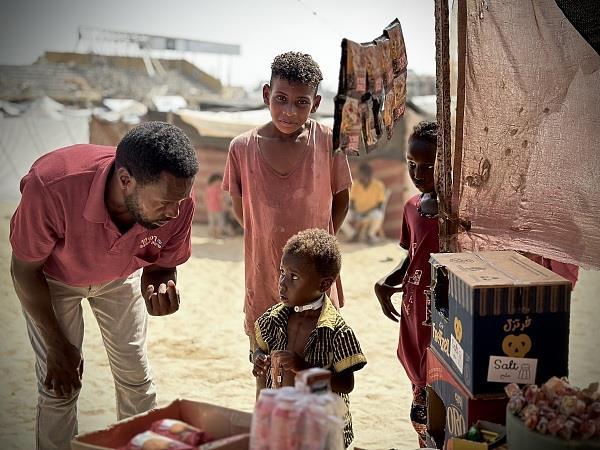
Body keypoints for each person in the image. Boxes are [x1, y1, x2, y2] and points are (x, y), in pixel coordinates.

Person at [9, 121, 199, 450]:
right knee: (60, 384)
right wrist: (57, 346)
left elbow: (162, 265)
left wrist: (161, 284)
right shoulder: (53, 186)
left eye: (180, 201)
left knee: (136, 379)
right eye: (165, 204)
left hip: (119, 278)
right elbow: (24, 270)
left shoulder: (177, 201)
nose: (175, 212)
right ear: (126, 180)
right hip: (53, 280)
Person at [222, 51, 352, 388]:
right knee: (269, 382)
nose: (289, 111)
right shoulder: (242, 148)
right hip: (265, 278)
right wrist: (269, 241)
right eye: (280, 99)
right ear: (267, 94)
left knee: (318, 382)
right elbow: (242, 212)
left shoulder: (328, 142)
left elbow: (341, 199)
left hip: (316, 285)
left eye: (301, 102)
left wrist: (318, 249)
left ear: (316, 102)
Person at [253, 229, 366, 448]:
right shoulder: (273, 319)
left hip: (320, 427)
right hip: (281, 420)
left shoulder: (336, 331)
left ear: (323, 285)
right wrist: (259, 359)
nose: (283, 283)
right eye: (282, 272)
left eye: (294, 277)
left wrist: (304, 368)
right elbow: (259, 349)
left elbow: (345, 384)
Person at [373, 121, 439, 448]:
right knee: (420, 397)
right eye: (412, 163)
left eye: (429, 165)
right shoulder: (412, 207)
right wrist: (387, 282)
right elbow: (411, 258)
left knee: (442, 391)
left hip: (441, 313)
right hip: (413, 312)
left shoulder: (459, 213)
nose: (418, 171)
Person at [340, 162, 387, 244]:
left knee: (378, 215)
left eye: (360, 173)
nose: (358, 175)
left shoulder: (378, 185)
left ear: (367, 174)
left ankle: (370, 235)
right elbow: (352, 201)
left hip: (370, 213)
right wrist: (356, 211)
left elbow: (380, 205)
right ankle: (353, 235)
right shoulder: (355, 184)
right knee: (341, 217)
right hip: (357, 213)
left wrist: (366, 212)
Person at [204, 173, 226, 238]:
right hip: (218, 209)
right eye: (220, 181)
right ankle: (218, 234)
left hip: (210, 209)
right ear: (216, 181)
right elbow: (220, 199)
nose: (221, 183)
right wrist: (223, 206)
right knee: (220, 222)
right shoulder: (219, 189)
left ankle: (212, 234)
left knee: (212, 222)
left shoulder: (208, 189)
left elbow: (205, 198)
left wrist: (207, 206)